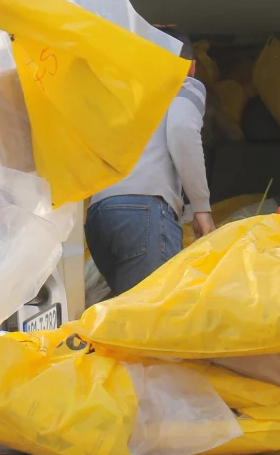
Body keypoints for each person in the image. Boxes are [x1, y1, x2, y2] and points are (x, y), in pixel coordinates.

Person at [85, 34, 214, 296]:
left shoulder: (118, 92)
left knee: (130, 318)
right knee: (153, 322)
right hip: (144, 212)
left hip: (99, 215)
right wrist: (202, 208)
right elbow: (181, 131)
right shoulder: (184, 84)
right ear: (191, 66)